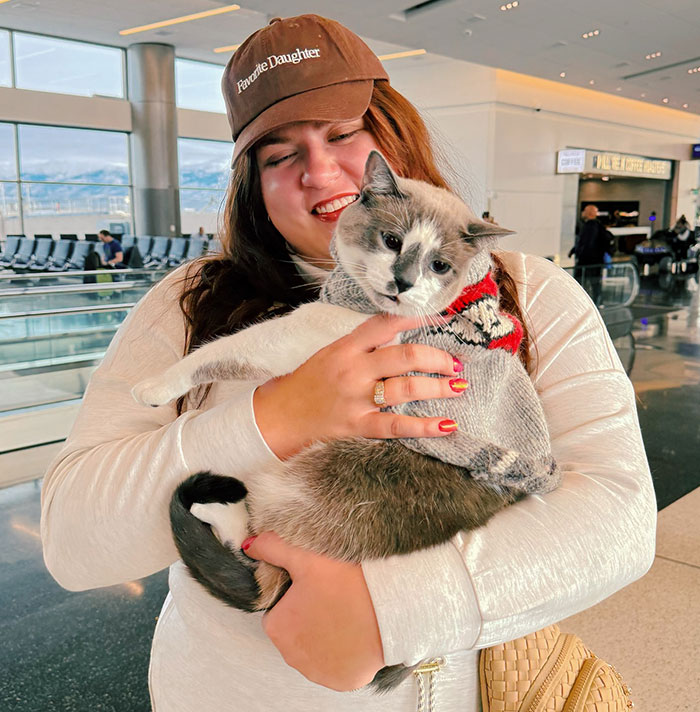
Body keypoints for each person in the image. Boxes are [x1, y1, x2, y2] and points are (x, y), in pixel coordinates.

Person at [41, 15, 656, 712]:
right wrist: (273, 417)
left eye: (341, 134)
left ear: (393, 142)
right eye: (278, 154)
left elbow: (618, 515)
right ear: (253, 185)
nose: (320, 170)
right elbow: (71, 540)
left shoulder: (531, 292)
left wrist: (388, 612)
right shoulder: (187, 307)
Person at [568, 204, 614, 305]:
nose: (582, 212)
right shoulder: (597, 225)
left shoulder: (591, 226)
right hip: (594, 261)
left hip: (588, 261)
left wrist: (579, 253)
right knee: (594, 283)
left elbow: (586, 243)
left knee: (586, 282)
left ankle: (588, 303)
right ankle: (596, 302)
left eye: (584, 210)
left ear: (588, 213)